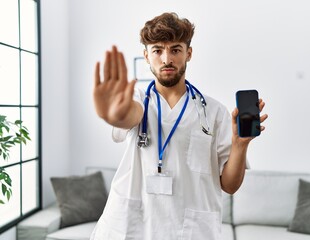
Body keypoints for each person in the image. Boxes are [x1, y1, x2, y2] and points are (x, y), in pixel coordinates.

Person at [91, 12, 268, 240]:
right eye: (157, 50)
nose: (166, 59)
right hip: (134, 227)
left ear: (188, 53)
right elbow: (129, 115)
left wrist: (240, 144)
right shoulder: (136, 99)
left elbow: (230, 186)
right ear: (146, 55)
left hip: (191, 230)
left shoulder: (214, 112)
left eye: (175, 49)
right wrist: (115, 114)